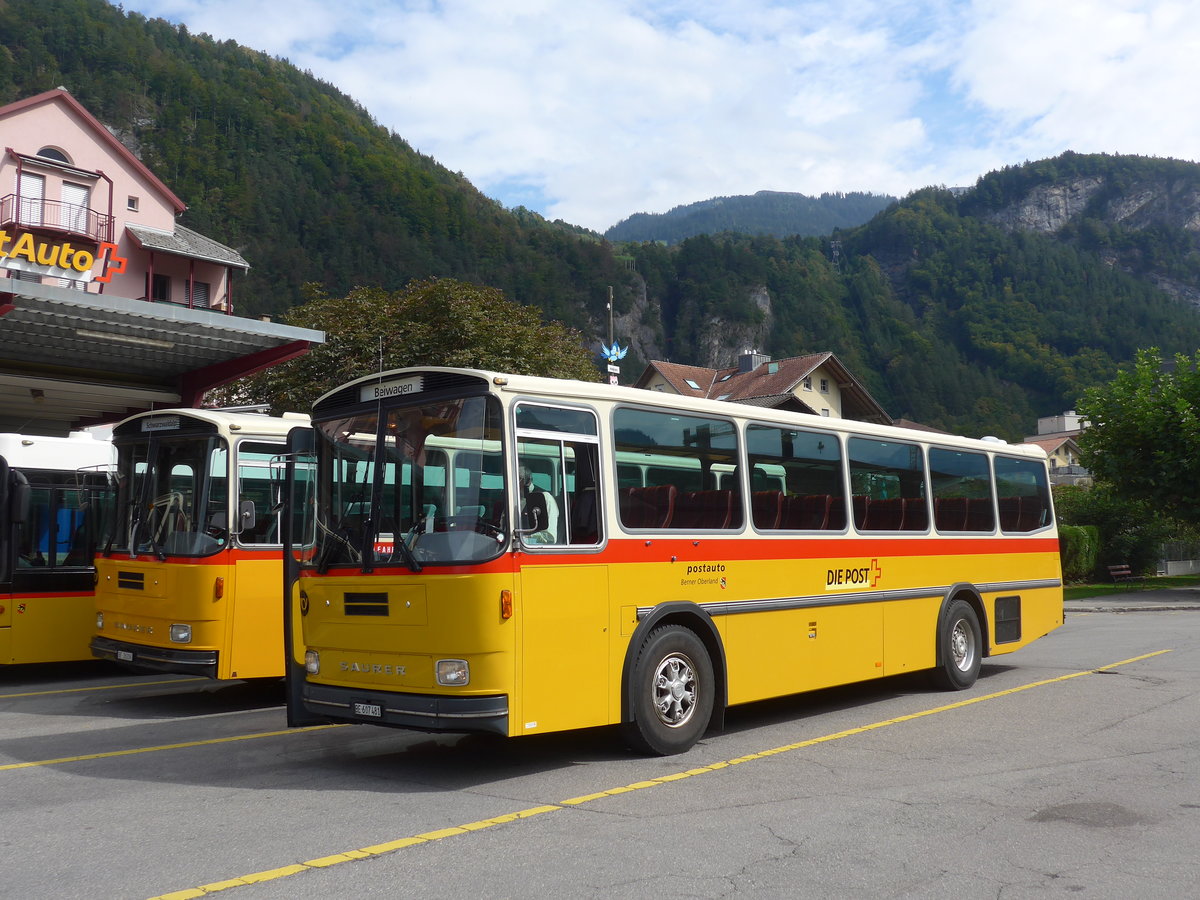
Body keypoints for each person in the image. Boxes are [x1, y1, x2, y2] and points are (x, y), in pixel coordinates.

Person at [519, 466, 559, 544]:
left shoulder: (544, 497)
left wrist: (524, 539)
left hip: (533, 552)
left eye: (519, 478)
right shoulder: (511, 501)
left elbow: (549, 536)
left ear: (528, 480)